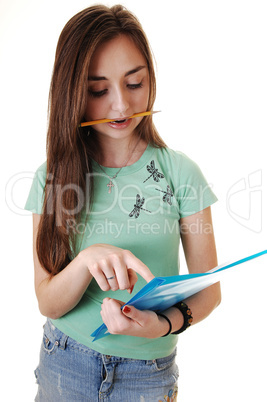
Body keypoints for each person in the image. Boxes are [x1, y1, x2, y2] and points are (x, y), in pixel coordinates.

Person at [25, 4, 221, 401]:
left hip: (147, 376)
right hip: (65, 361)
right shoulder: (53, 177)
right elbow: (47, 299)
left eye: (135, 84)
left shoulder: (182, 174)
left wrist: (161, 325)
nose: (121, 106)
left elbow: (208, 291)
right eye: (99, 90)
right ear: (73, 93)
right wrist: (85, 261)